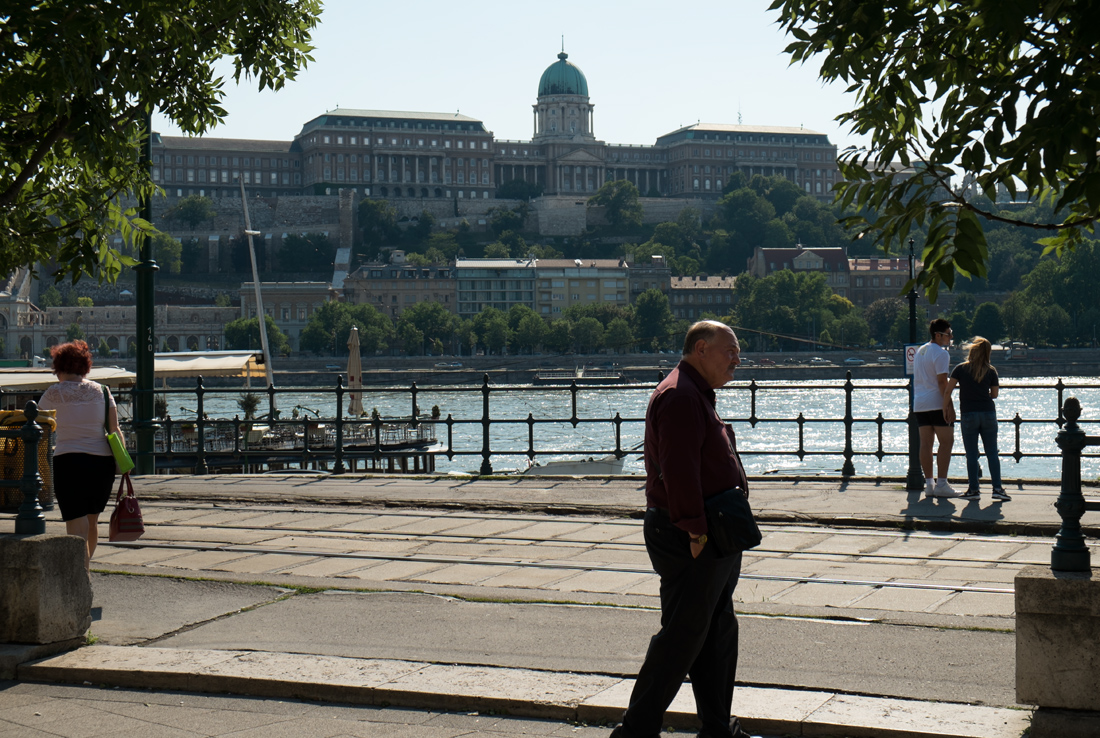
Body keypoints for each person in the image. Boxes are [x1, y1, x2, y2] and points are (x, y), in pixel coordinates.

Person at [611, 321, 752, 738]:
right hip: (693, 533)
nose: (736, 360)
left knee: (716, 631)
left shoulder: (694, 394)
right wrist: (696, 533)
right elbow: (679, 473)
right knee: (683, 637)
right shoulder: (679, 396)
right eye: (730, 351)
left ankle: (716, 728)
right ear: (702, 349)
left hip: (716, 531)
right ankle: (636, 730)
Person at [37, 340, 122, 570]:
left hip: (69, 461)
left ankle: (81, 578)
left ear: (59, 367)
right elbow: (114, 430)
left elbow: (36, 425)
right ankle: (84, 568)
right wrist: (123, 464)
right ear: (85, 366)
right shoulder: (103, 391)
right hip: (101, 464)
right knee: (91, 522)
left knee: (76, 523)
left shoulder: (53, 393)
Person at [944, 337, 1010, 501]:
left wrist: (946, 409)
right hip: (988, 413)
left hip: (968, 414)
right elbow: (994, 395)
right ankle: (997, 489)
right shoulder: (991, 370)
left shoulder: (960, 369)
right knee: (992, 453)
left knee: (972, 454)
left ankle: (974, 490)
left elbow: (947, 391)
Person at [913, 318, 961, 497]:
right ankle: (942, 483)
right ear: (938, 335)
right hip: (936, 402)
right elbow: (942, 382)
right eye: (948, 334)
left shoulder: (921, 351)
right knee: (947, 442)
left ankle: (929, 485)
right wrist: (949, 405)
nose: (951, 337)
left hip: (920, 403)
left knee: (925, 444)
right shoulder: (941, 354)